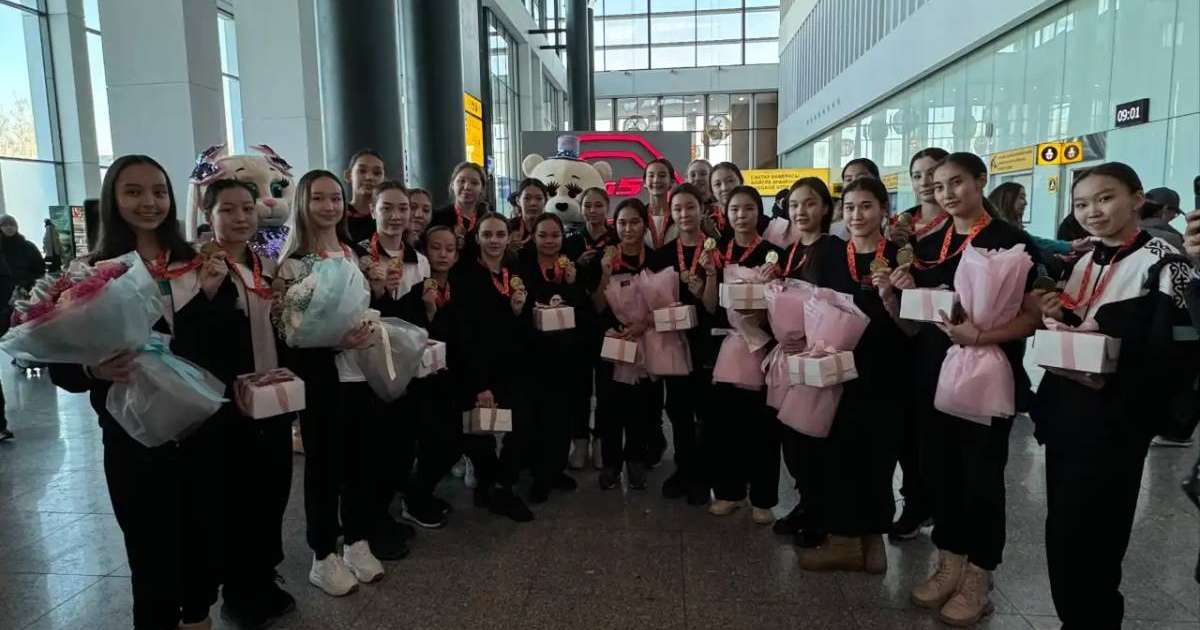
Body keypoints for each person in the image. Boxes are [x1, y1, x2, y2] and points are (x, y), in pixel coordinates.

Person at [48, 155, 224, 629]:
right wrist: (92, 368)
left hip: (199, 429)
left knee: (201, 543)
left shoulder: (197, 263)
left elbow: (221, 351)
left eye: (159, 191)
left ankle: (199, 615)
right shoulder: (91, 273)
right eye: (134, 191)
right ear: (113, 199)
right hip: (132, 438)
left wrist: (208, 300)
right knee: (150, 554)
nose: (149, 202)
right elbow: (60, 369)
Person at [1030, 163, 1194, 629]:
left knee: (1098, 530)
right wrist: (1054, 313)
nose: (1092, 212)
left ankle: (1096, 620)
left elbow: (1174, 356)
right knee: (1062, 526)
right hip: (1067, 411)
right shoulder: (1085, 260)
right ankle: (1072, 618)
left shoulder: (1165, 262)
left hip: (1116, 418)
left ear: (1137, 198)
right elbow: (1079, 325)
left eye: (1105, 198)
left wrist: (1113, 366)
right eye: (1082, 204)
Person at [899, 152, 1040, 626]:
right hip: (933, 373)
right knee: (940, 472)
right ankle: (950, 560)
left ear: (981, 181)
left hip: (986, 372)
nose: (947, 194)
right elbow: (918, 313)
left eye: (956, 182)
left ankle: (981, 572)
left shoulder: (1011, 242)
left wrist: (981, 336)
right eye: (939, 187)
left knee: (981, 476)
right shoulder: (930, 241)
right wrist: (893, 289)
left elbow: (1033, 315)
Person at [194, 178, 297, 628]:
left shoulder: (266, 264)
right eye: (228, 210)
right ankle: (238, 590)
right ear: (209, 215)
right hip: (226, 405)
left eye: (247, 209)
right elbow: (194, 337)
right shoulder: (197, 269)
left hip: (271, 396)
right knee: (235, 497)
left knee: (272, 489)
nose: (239, 218)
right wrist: (210, 292)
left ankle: (262, 573)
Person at [275, 169, 381, 597]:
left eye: (335, 198)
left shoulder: (353, 254)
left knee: (359, 460)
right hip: (321, 377)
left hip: (360, 372)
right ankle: (323, 553)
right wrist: (334, 341)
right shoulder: (293, 263)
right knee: (324, 465)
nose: (329, 206)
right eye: (318, 198)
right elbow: (288, 334)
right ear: (303, 203)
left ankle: (356, 540)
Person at [797, 177, 907, 575]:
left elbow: (912, 326)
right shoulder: (829, 256)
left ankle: (873, 540)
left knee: (878, 456)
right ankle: (843, 539)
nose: (856, 215)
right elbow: (813, 308)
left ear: (883, 210)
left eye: (866, 207)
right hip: (837, 370)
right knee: (839, 454)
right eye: (850, 208)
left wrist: (892, 296)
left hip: (885, 373)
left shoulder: (899, 258)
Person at [353, 182, 433, 536]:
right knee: (372, 448)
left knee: (403, 445)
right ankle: (369, 523)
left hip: (408, 368)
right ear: (372, 210)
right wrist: (377, 289)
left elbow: (419, 319)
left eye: (403, 208)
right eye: (387, 208)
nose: (397, 215)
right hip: (368, 369)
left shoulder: (421, 261)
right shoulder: (356, 258)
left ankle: (385, 513)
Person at [450, 212, 535, 521]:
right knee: (479, 430)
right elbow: (463, 330)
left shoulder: (517, 271)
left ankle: (504, 484)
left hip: (513, 364)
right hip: (476, 364)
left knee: (521, 424)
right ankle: (487, 484)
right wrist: (479, 383)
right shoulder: (465, 274)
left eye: (500, 234)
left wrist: (518, 310)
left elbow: (527, 321)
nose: (495, 240)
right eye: (488, 234)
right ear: (477, 238)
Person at [707, 185, 783, 524]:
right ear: (726, 213)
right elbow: (709, 306)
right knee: (725, 425)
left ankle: (763, 498)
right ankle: (728, 492)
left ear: (758, 212)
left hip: (763, 346)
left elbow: (785, 305)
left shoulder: (773, 254)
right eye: (735, 209)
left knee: (763, 427)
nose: (741, 215)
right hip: (728, 346)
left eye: (748, 208)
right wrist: (709, 276)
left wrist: (772, 290)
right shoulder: (716, 251)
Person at [884, 146, 948, 542]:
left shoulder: (961, 226)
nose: (926, 183)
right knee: (907, 428)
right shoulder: (900, 226)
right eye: (918, 175)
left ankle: (943, 505)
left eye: (935, 175)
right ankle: (915, 501)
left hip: (943, 339)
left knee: (937, 428)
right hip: (901, 334)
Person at [774, 176, 838, 549]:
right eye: (795, 204)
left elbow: (837, 306)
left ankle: (820, 513)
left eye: (809, 203)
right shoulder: (791, 251)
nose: (801, 211)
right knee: (793, 436)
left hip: (819, 354)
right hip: (792, 353)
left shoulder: (833, 251)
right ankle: (804, 503)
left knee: (815, 437)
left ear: (825, 208)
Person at [648, 183, 720, 506]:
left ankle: (704, 474)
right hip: (674, 340)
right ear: (671, 213)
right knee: (677, 409)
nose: (684, 214)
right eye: (677, 209)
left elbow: (715, 307)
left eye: (690, 207)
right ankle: (684, 468)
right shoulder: (663, 254)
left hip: (707, 342)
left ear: (702, 210)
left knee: (705, 409)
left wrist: (708, 278)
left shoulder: (717, 249)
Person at [393, 225, 465, 528]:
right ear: (426, 251)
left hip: (452, 382)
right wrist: (429, 312)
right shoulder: (414, 292)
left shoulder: (462, 290)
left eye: (449, 248)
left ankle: (420, 492)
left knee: (453, 443)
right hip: (422, 385)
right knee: (431, 443)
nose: (443, 254)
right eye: (436, 247)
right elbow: (407, 335)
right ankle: (414, 499)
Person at [591, 198, 662, 490]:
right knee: (609, 404)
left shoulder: (656, 259)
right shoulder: (605, 257)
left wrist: (643, 324)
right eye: (622, 223)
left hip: (645, 340)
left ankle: (635, 459)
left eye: (634, 222)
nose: (628, 228)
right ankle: (611, 462)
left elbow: (665, 303)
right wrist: (605, 273)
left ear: (644, 224)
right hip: (612, 340)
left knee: (641, 403)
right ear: (614, 225)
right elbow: (595, 306)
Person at [519, 212, 585, 502]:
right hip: (533, 353)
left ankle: (555, 469)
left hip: (565, 353)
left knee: (561, 415)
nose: (549, 241)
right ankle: (538, 474)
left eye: (555, 235)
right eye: (543, 235)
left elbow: (580, 308)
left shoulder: (567, 267)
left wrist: (571, 282)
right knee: (536, 416)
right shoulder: (521, 268)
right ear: (533, 237)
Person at [563, 187, 618, 471]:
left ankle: (602, 441)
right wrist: (576, 265)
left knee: (607, 387)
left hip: (609, 323)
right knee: (579, 386)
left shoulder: (616, 240)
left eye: (599, 205)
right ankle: (580, 439)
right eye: (588, 205)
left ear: (607, 207)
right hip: (578, 324)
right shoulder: (571, 242)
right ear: (581, 208)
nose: (593, 210)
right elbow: (562, 278)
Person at [430, 161, 489, 261]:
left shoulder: (487, 221)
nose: (467, 187)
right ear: (452, 185)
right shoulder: (437, 217)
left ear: (482, 189)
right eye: (461, 181)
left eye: (474, 183)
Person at [829, 158, 880, 240]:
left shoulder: (892, 229)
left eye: (866, 206)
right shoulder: (832, 233)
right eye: (848, 179)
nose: (854, 183)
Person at [343, 149, 386, 243]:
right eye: (362, 171)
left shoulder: (388, 216)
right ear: (348, 176)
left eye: (377, 173)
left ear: (384, 179)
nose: (369, 177)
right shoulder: (339, 216)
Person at [507, 178, 549, 263]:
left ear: (545, 201)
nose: (533, 203)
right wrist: (507, 250)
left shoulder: (552, 227)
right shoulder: (508, 227)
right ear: (518, 201)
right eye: (527, 198)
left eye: (539, 198)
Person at [0, 215, 45, 291]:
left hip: (28, 291)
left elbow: (40, 269)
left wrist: (28, 283)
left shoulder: (28, 246)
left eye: (12, 224)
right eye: (5, 225)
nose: (9, 227)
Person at [643, 158, 678, 250]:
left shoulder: (679, 215)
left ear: (671, 182)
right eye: (651, 175)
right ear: (644, 183)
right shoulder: (639, 215)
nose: (656, 180)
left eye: (662, 176)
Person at [1138, 186, 1185, 252]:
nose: (1173, 217)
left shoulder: (1125, 233)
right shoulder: (1172, 239)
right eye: (1175, 213)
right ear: (1165, 209)